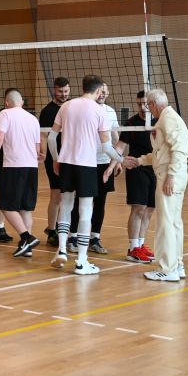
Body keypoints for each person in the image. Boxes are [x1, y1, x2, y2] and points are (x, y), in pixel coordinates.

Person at [47, 74, 122, 276]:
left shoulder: (66, 106)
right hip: (87, 165)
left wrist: (55, 159)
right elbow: (106, 146)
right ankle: (81, 261)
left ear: (82, 88)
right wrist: (122, 160)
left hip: (66, 163)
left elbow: (52, 138)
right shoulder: (100, 111)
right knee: (86, 210)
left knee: (66, 206)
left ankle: (62, 250)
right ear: (98, 91)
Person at [118, 89, 188, 281]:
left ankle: (167, 269)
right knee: (174, 223)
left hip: (170, 176)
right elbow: (160, 154)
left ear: (152, 104)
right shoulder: (166, 119)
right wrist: (139, 161)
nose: (147, 109)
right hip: (171, 174)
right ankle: (178, 266)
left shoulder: (168, 119)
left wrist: (171, 176)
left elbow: (181, 149)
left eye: (148, 105)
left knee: (166, 224)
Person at [0, 88, 42, 258]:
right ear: (22, 103)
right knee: (25, 208)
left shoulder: (5, 114)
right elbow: (37, 148)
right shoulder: (33, 119)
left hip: (13, 167)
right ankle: (27, 248)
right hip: (32, 167)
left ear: (6, 103)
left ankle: (27, 237)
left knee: (5, 205)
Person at [71, 83, 119, 255]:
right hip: (85, 161)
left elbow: (115, 137)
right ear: (96, 92)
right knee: (80, 201)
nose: (103, 94)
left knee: (100, 202)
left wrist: (117, 161)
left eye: (105, 91)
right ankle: (73, 237)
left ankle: (95, 238)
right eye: (101, 91)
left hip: (104, 162)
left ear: (108, 93)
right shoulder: (84, 109)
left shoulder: (110, 112)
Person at [116, 90, 158, 264]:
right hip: (136, 168)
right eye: (139, 104)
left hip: (155, 168)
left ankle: (140, 245)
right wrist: (116, 163)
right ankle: (133, 249)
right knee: (138, 208)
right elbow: (119, 147)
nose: (142, 107)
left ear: (151, 104)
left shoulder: (159, 121)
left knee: (149, 210)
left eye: (145, 104)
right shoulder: (131, 123)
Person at [39, 77, 70, 247]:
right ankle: (51, 230)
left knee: (68, 196)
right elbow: (44, 135)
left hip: (71, 157)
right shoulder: (47, 111)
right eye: (60, 91)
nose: (64, 94)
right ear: (54, 90)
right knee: (56, 195)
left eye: (66, 91)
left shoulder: (71, 107)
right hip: (54, 157)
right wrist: (44, 154)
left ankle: (62, 228)